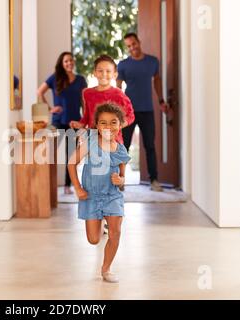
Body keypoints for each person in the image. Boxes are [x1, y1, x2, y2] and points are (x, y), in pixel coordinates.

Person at [68, 103, 131, 283]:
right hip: (91, 196)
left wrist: (120, 181)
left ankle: (106, 268)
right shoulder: (90, 144)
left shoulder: (121, 150)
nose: (108, 127)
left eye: (113, 123)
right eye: (103, 123)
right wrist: (78, 188)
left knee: (115, 233)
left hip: (112, 197)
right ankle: (101, 220)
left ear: (120, 125)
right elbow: (71, 164)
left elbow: (122, 178)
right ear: (96, 125)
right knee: (94, 239)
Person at [117, 32, 170, 192]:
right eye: (129, 46)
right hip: (128, 112)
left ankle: (154, 180)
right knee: (123, 147)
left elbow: (157, 81)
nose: (132, 47)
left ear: (139, 42)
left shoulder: (152, 62)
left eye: (134, 44)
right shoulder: (123, 65)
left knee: (150, 146)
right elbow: (118, 87)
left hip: (147, 110)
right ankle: (120, 181)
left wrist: (161, 100)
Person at [37, 52, 87, 194]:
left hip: (74, 122)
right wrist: (50, 109)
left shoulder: (80, 80)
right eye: (66, 61)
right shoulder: (55, 78)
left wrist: (84, 120)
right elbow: (39, 92)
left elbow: (84, 101)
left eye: (71, 60)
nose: (69, 63)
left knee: (71, 155)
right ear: (62, 63)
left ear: (74, 62)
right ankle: (49, 185)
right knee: (52, 154)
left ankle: (67, 185)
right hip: (58, 122)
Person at [70, 55, 135, 144]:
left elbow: (131, 116)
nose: (104, 74)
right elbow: (87, 116)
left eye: (108, 71)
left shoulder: (119, 94)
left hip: (114, 143)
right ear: (95, 73)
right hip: (93, 141)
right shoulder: (87, 93)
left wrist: (116, 126)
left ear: (114, 75)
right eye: (100, 71)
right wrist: (80, 124)